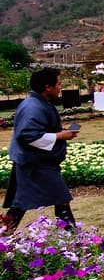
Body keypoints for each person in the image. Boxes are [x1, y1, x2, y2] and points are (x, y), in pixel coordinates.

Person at [2, 68, 80, 231]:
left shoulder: (39, 103)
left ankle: (4, 236)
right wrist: (60, 136)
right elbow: (28, 136)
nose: (60, 87)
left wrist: (60, 132)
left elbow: (38, 130)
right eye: (58, 84)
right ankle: (75, 238)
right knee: (61, 198)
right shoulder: (33, 106)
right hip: (35, 164)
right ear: (47, 87)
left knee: (21, 202)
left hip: (36, 162)